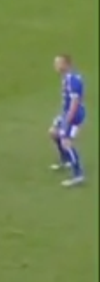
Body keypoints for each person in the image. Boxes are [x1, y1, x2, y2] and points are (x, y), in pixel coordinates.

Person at [52, 54, 85, 187]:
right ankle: (66, 161)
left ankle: (78, 175)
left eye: (58, 63)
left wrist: (67, 121)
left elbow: (75, 103)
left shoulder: (72, 80)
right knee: (53, 132)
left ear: (66, 64)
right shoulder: (67, 77)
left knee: (66, 142)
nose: (55, 66)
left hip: (74, 115)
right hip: (66, 113)